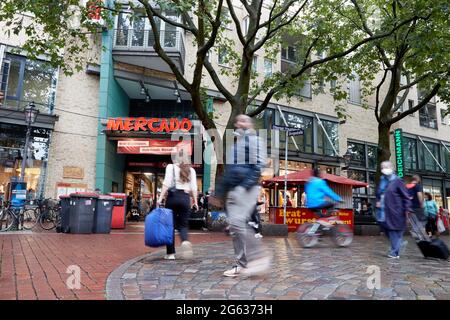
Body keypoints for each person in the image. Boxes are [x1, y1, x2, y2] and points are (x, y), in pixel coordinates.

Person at [221, 114, 270, 277]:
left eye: (243, 120)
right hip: (235, 188)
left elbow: (259, 165)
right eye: (238, 120)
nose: (239, 123)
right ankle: (241, 264)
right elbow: (231, 170)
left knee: (236, 223)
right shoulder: (237, 143)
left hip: (246, 188)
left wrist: (243, 187)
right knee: (235, 228)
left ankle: (258, 257)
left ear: (250, 123)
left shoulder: (255, 140)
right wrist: (221, 190)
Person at [157, 152, 198, 260]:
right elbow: (194, 188)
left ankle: (170, 254)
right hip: (185, 199)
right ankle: (185, 241)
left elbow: (166, 183)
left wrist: (160, 198)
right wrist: (195, 202)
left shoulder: (171, 167)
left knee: (169, 226)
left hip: (172, 198)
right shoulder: (191, 170)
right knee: (183, 225)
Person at [376, 161, 412, 259]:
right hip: (383, 211)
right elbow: (379, 193)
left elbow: (406, 196)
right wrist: (378, 200)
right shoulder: (382, 180)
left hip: (395, 211)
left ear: (392, 168)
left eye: (387, 166)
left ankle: (394, 253)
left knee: (393, 231)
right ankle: (398, 244)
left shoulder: (398, 181)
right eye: (382, 167)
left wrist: (407, 209)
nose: (384, 168)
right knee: (386, 229)